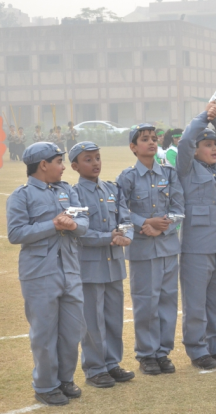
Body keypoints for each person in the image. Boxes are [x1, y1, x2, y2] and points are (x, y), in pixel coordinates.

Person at [6, 142, 88, 406]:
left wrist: (73, 224)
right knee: (44, 334)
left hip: (70, 269)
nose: (63, 167)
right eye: (59, 162)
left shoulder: (67, 191)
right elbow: (15, 233)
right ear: (43, 164)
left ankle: (65, 379)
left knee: (72, 330)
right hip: (40, 273)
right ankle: (45, 385)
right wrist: (53, 224)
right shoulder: (21, 196)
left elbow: (84, 222)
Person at [116, 124, 184, 375]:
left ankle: (163, 352)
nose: (152, 142)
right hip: (143, 250)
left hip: (167, 247)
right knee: (146, 303)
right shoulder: (127, 177)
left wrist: (161, 228)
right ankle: (146, 354)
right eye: (145, 139)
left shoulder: (169, 173)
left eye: (154, 138)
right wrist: (145, 222)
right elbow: (121, 211)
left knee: (168, 302)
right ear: (133, 147)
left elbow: (179, 208)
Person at [176, 102, 216, 369]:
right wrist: (204, 117)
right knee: (196, 303)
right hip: (197, 248)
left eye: (215, 145)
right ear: (195, 149)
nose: (215, 149)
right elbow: (185, 141)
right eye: (207, 145)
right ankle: (197, 349)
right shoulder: (186, 168)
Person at [69, 142, 135, 388]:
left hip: (114, 263)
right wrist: (109, 237)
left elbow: (125, 218)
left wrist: (127, 236)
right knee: (92, 321)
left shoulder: (112, 189)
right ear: (75, 166)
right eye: (88, 159)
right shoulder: (74, 194)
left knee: (114, 318)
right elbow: (78, 232)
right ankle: (95, 368)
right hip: (90, 266)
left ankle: (112, 363)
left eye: (97, 157)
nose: (95, 163)